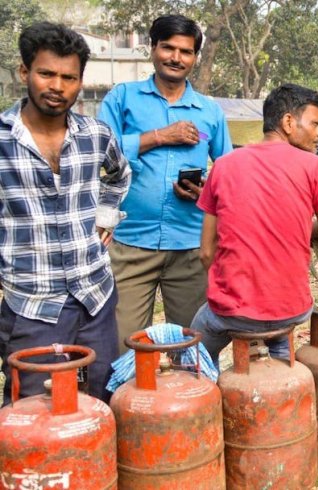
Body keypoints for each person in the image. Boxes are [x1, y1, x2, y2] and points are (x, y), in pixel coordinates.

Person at [191, 84, 318, 363]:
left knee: (195, 355)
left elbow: (206, 251)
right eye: (315, 123)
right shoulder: (314, 168)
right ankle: (281, 367)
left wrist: (233, 290)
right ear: (288, 122)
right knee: (280, 344)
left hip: (231, 311)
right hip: (292, 310)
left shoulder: (224, 165)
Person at [0, 23, 131, 404]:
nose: (57, 86)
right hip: (32, 303)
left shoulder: (95, 134)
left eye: (68, 77)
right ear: (25, 73)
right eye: (46, 74)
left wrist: (106, 215)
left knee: (100, 398)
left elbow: (120, 174)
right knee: (34, 407)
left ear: (79, 81)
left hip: (95, 294)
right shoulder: (4, 140)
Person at [98, 15, 232, 350]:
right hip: (130, 244)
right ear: (153, 48)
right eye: (168, 47)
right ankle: (127, 402)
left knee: (191, 346)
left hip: (190, 246)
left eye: (185, 51)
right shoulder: (122, 99)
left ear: (195, 57)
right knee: (123, 346)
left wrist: (205, 192)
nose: (176, 57)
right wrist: (159, 136)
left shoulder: (209, 111)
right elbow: (100, 152)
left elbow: (227, 173)